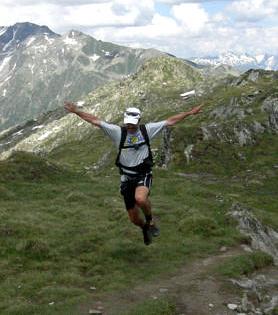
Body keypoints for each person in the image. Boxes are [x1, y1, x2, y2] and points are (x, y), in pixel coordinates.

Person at [65, 102, 203, 245]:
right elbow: (94, 120)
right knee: (134, 219)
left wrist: (189, 113)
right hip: (126, 177)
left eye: (133, 124)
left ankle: (150, 222)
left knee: (141, 199)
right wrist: (76, 111)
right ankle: (144, 227)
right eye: (127, 124)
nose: (130, 127)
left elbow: (169, 121)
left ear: (139, 121)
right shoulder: (117, 132)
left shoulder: (147, 131)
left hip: (143, 173)